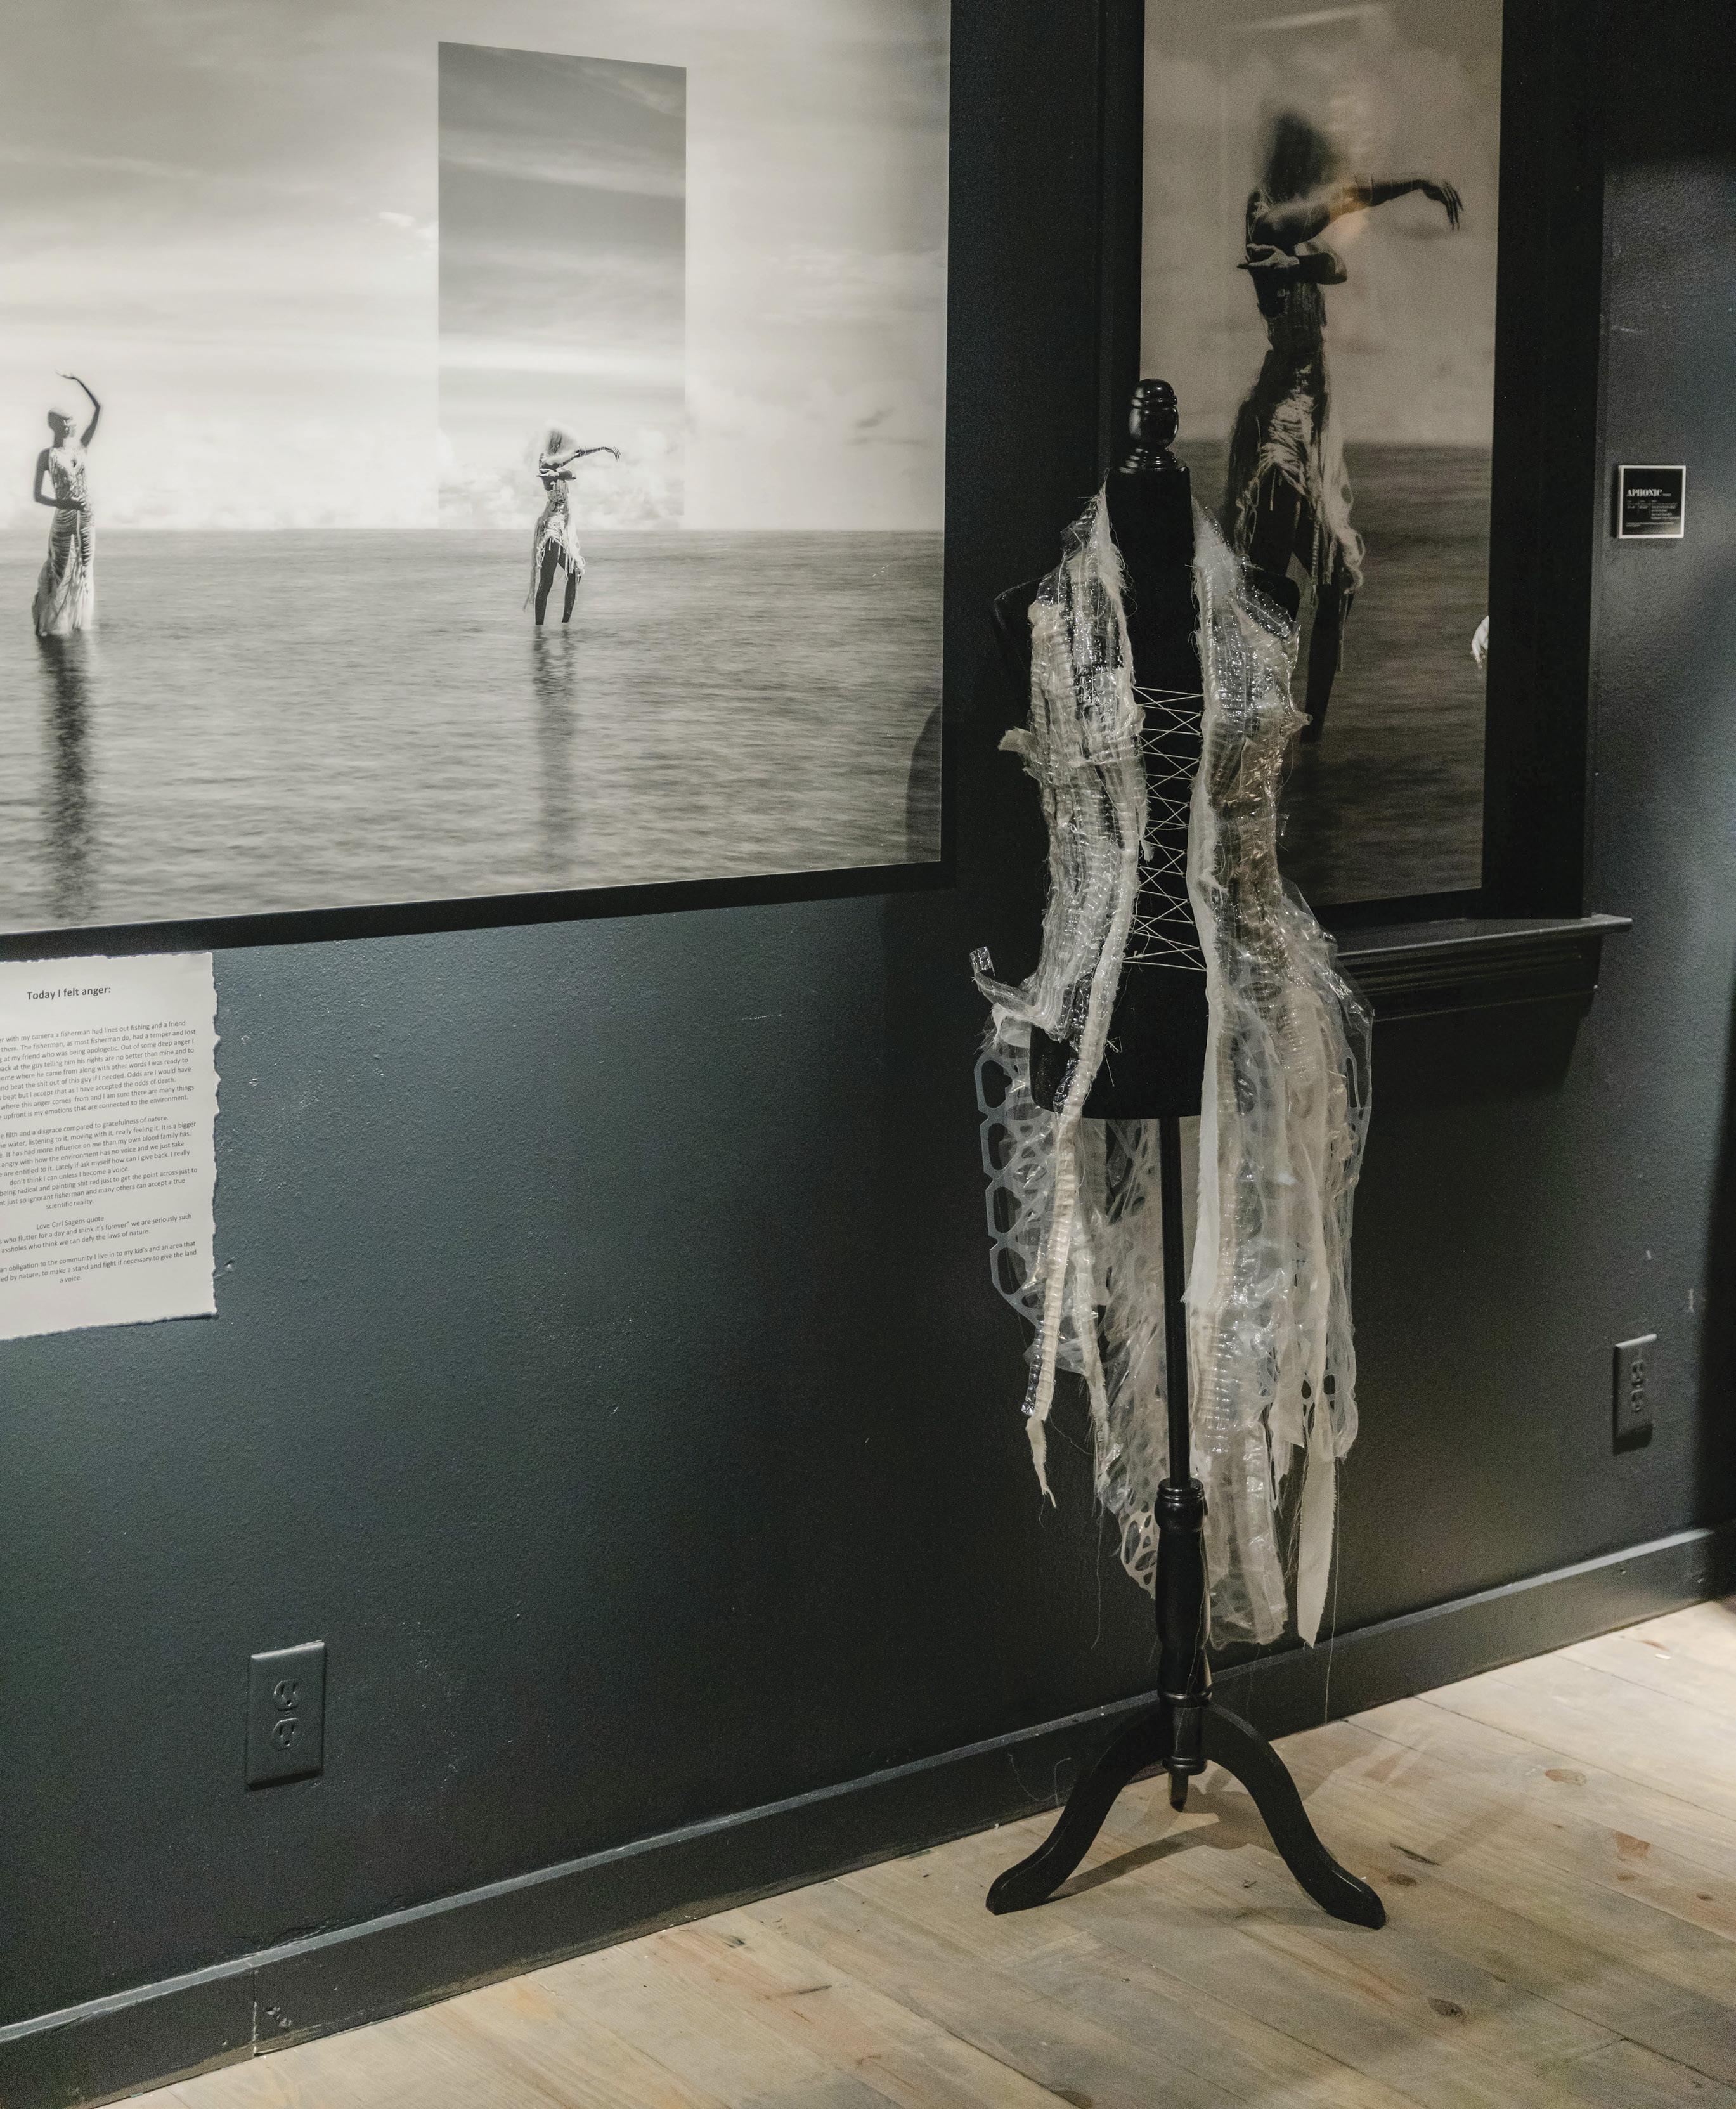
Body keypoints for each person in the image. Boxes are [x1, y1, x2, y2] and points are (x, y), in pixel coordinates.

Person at [1224, 113, 1460, 739]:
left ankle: (1312, 731)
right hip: (1281, 425)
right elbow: (1338, 206)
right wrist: (1414, 184)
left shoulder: (1289, 243)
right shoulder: (1268, 224)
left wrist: (1310, 263)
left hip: (1311, 427)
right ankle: (1257, 721)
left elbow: (1333, 260)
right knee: (1270, 586)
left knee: (1332, 582)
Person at [32, 374, 100, 637]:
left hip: (87, 517)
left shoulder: (80, 449)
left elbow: (98, 409)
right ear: (54, 425)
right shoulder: (47, 456)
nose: (69, 424)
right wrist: (63, 502)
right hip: (63, 518)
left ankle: (79, 623)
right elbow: (37, 496)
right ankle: (50, 626)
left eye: (70, 420)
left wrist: (78, 380)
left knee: (84, 569)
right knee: (60, 572)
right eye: (64, 421)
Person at [529, 429, 618, 625]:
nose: (557, 448)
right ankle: (539, 633)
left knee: (575, 572)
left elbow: (575, 460)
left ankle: (565, 628)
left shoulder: (557, 466)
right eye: (554, 444)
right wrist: (561, 472)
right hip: (552, 527)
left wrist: (602, 447)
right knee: (547, 581)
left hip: (563, 525)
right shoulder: (545, 465)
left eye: (558, 445)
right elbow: (571, 468)